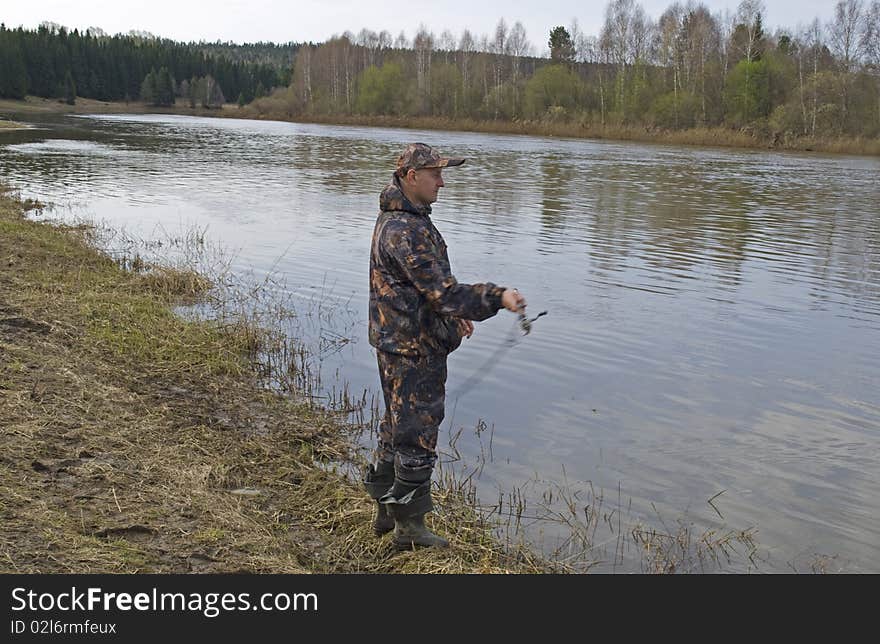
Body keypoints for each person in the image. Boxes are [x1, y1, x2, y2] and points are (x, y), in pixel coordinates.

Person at [363, 142, 527, 550]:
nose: (441, 180)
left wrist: (448, 315)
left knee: (397, 426)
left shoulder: (406, 219)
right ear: (410, 177)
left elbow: (423, 291)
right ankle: (409, 530)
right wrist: (497, 296)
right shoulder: (404, 229)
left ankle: (386, 512)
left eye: (442, 172)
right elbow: (443, 291)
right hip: (411, 349)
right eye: (434, 173)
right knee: (417, 434)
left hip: (400, 339)